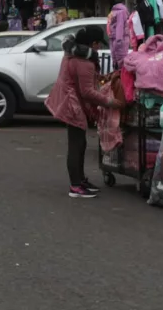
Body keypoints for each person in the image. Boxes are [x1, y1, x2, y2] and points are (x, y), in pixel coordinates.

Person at [45, 26, 122, 199]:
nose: (99, 48)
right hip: (71, 103)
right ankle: (76, 186)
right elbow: (87, 91)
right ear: (92, 43)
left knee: (80, 143)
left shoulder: (72, 54)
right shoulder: (84, 62)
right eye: (98, 45)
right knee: (76, 144)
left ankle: (80, 180)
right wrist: (110, 102)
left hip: (68, 99)